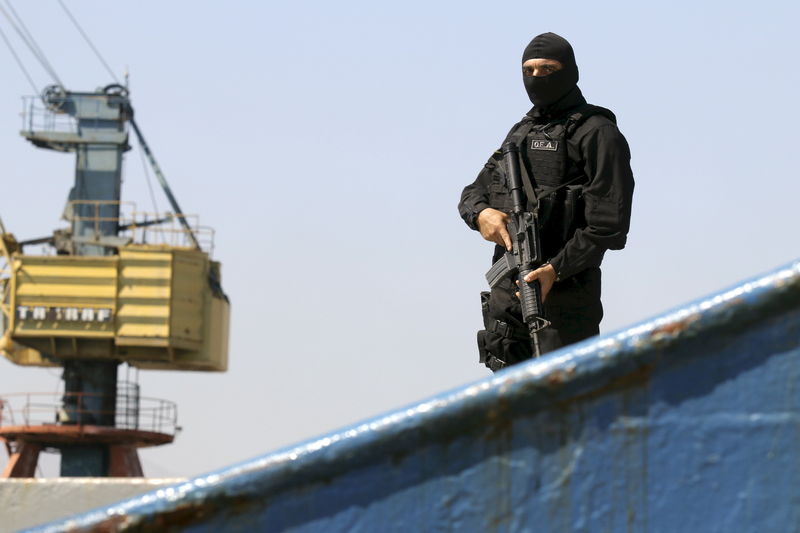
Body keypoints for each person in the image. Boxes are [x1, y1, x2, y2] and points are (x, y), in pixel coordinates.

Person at [458, 32, 634, 372]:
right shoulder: (521, 133)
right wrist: (482, 215)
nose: (537, 78)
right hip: (508, 305)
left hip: (564, 302)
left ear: (569, 71)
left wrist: (556, 269)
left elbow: (609, 225)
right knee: (510, 411)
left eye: (548, 68)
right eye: (529, 70)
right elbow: (472, 193)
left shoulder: (597, 133)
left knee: (567, 406)